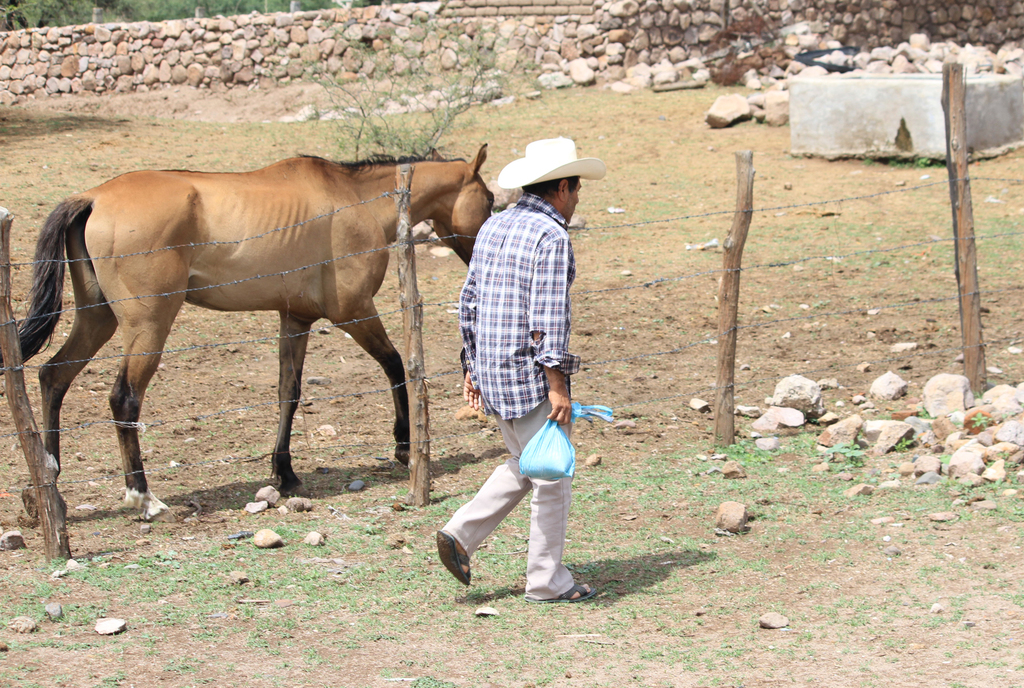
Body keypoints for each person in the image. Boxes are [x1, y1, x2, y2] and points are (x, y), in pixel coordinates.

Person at [436, 137, 606, 603]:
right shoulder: (550, 236)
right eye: (576, 191)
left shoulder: (494, 226)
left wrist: (470, 365)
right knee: (552, 476)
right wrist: (558, 386)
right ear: (564, 187)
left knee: (525, 462)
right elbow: (548, 317)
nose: (576, 200)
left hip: (491, 368)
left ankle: (461, 534)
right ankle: (547, 581)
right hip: (528, 376)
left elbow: (468, 300)